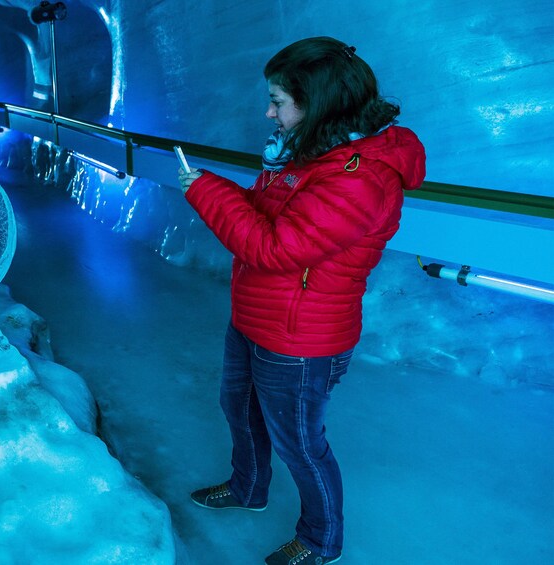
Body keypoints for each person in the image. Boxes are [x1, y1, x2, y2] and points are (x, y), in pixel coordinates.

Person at [178, 37, 426, 565]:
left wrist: (205, 193)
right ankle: (248, 489)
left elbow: (274, 247)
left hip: (301, 339)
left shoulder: (358, 180)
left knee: (299, 444)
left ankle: (321, 540)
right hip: (257, 317)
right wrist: (212, 184)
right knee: (238, 410)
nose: (268, 112)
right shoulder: (313, 155)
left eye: (279, 101)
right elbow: (268, 215)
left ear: (317, 105)